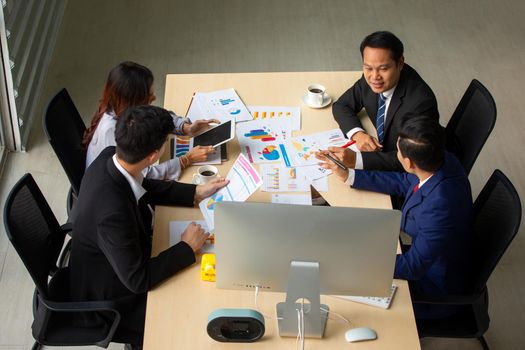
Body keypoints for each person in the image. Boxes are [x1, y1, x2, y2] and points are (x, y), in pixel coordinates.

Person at [69, 105, 229, 349]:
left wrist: (195, 193)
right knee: (194, 311)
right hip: (110, 299)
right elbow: (138, 280)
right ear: (154, 155)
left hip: (117, 260)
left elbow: (147, 185)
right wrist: (186, 247)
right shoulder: (111, 215)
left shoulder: (110, 156)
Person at [317, 116, 473, 319]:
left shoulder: (440, 209)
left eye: (397, 152)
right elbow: (405, 181)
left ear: (408, 162)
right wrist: (349, 175)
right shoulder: (442, 160)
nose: (396, 154)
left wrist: (355, 261)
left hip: (432, 285)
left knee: (338, 298)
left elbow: (413, 267)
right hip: (430, 254)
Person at [83, 61, 217, 180]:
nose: (154, 97)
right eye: (149, 98)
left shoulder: (120, 108)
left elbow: (155, 116)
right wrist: (186, 160)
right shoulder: (112, 131)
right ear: (134, 102)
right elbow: (143, 175)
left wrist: (185, 127)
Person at [332, 31, 439, 171]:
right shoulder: (371, 78)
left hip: (405, 172)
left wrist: (357, 160)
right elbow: (342, 105)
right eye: (368, 68)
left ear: (400, 63)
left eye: (383, 69)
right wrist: (357, 134)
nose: (374, 76)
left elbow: (411, 159)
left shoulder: (420, 104)